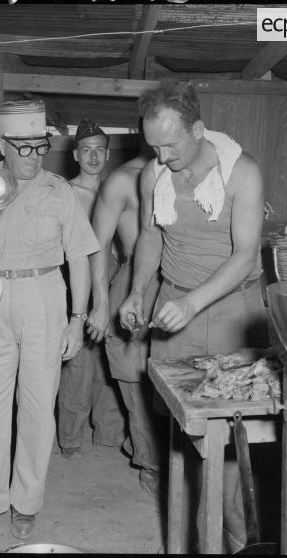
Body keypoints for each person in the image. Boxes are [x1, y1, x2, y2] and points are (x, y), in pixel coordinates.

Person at [119, 81, 268, 552]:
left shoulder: (242, 173)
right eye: (153, 147)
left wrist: (192, 303)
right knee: (183, 431)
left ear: (198, 129)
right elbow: (149, 237)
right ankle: (188, 534)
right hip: (173, 305)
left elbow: (245, 255)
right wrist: (138, 291)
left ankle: (238, 540)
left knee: (228, 440)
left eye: (170, 145)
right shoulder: (153, 175)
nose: (161, 157)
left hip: (231, 309)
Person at [0, 100, 100, 543]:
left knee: (36, 410)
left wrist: (77, 319)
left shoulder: (59, 191)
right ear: (2, 146)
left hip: (45, 297)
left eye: (40, 146)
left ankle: (25, 503)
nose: (33, 155)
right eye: (23, 147)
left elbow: (81, 258)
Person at [86, 130, 167, 498]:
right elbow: (97, 247)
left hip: (179, 281)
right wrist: (101, 304)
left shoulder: (188, 177)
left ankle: (155, 449)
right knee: (134, 376)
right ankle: (150, 460)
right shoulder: (122, 179)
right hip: (135, 278)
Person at [57, 118, 126, 461]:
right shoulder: (66, 192)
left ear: (108, 154)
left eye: (100, 150)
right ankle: (70, 437)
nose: (94, 157)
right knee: (79, 358)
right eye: (87, 150)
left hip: (115, 276)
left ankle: (109, 432)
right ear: (75, 155)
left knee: (113, 356)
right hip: (77, 278)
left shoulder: (118, 191)